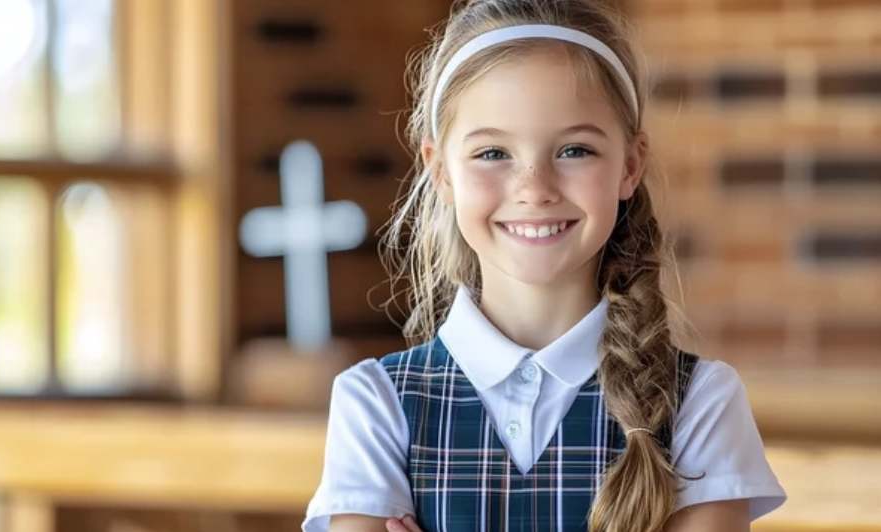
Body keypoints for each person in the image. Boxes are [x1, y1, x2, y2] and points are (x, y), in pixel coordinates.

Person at [302, 0, 787, 530]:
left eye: (575, 150)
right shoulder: (375, 405)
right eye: (492, 153)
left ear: (630, 166)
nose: (535, 189)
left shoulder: (701, 401)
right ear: (440, 172)